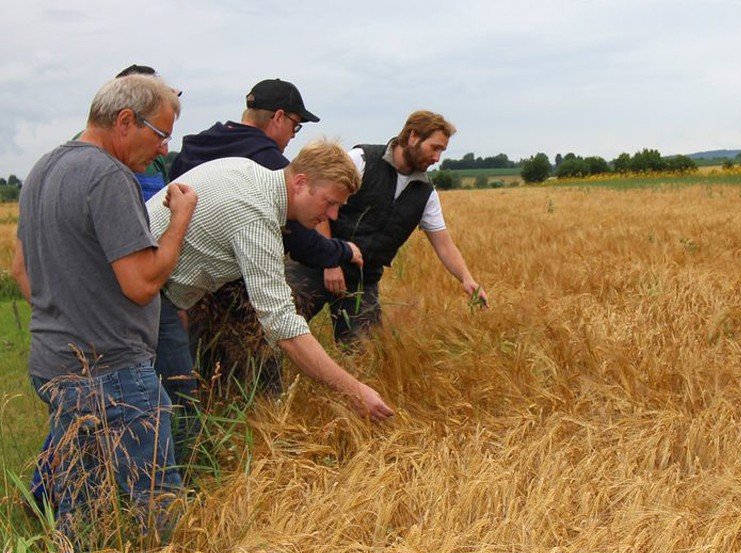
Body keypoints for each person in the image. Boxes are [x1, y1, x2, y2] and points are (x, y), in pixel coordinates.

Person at [11, 74, 197, 533]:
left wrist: (69, 313)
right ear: (125, 120)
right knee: (156, 509)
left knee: (80, 510)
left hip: (53, 365)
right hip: (112, 372)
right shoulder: (109, 176)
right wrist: (180, 221)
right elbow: (141, 282)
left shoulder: (42, 169)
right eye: (160, 135)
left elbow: (20, 270)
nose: (162, 150)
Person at [148, 141, 394, 429]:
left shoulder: (248, 171)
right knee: (179, 414)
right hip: (141, 297)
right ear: (300, 182)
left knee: (169, 403)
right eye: (330, 202)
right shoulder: (256, 217)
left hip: (152, 292)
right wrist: (354, 390)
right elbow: (283, 325)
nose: (333, 216)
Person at [162, 79, 362, 400]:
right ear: (278, 118)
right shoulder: (267, 170)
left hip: (178, 289)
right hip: (230, 298)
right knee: (256, 387)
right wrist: (339, 252)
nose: (291, 139)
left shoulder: (202, 148)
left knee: (193, 387)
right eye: (295, 128)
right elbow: (300, 244)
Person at [285, 110, 489, 344]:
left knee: (364, 355)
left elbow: (443, 242)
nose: (437, 158)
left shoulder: (425, 192)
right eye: (435, 148)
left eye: (441, 150)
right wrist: (329, 260)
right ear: (413, 137)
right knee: (273, 331)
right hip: (313, 263)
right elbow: (320, 204)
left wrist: (466, 278)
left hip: (362, 279)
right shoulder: (361, 159)